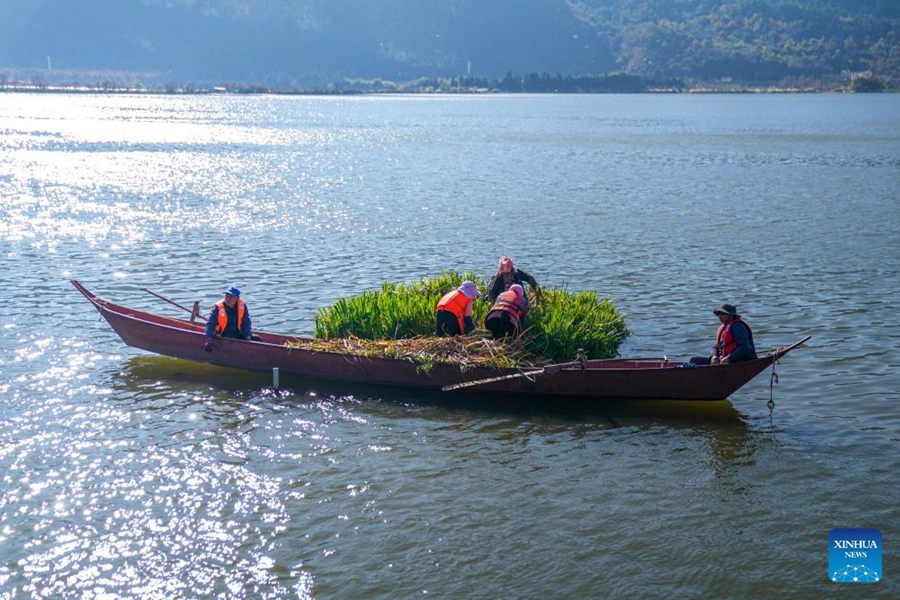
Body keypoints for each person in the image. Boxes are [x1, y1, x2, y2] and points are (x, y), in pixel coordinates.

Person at [689, 303, 757, 365]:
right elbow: (716, 346)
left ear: (731, 315)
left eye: (723, 314)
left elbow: (745, 347)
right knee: (693, 360)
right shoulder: (724, 328)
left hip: (738, 361)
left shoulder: (737, 328)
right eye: (719, 314)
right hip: (723, 360)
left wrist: (729, 358)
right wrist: (714, 356)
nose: (720, 316)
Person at [204, 285, 253, 351]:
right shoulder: (218, 307)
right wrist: (209, 338)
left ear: (237, 298)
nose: (228, 298)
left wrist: (247, 336)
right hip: (223, 336)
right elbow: (210, 324)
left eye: (231, 296)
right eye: (227, 295)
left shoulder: (242, 306)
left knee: (258, 339)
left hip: (237, 334)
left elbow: (246, 322)